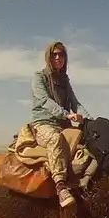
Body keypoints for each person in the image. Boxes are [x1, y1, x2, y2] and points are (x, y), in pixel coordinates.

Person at [30, 40, 90, 208]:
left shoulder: (64, 81)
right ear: (48, 57)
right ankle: (61, 187)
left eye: (61, 54)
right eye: (54, 54)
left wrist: (89, 119)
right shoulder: (39, 78)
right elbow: (44, 101)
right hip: (43, 123)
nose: (58, 57)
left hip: (64, 125)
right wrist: (66, 114)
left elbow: (75, 103)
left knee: (86, 145)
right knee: (56, 140)